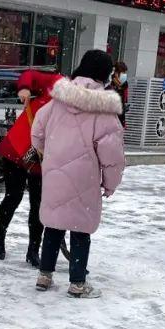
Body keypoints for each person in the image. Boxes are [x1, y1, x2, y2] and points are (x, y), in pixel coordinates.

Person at [31, 50, 124, 298]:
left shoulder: (59, 98)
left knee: (53, 224)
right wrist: (111, 183)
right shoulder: (104, 108)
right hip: (85, 177)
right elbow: (112, 154)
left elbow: (37, 129)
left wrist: (47, 153)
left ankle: (44, 275)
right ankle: (78, 283)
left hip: (54, 173)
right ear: (104, 74)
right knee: (80, 230)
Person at [0, 68, 61, 267]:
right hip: (17, 149)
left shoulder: (80, 108)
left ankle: (33, 250)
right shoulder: (55, 84)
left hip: (41, 158)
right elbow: (29, 75)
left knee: (38, 204)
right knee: (13, 196)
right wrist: (23, 88)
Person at [109, 61, 130, 128]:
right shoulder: (109, 84)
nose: (124, 74)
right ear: (116, 72)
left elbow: (124, 99)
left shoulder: (124, 84)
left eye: (124, 72)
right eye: (122, 72)